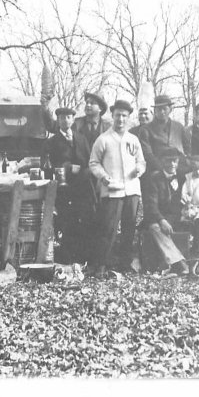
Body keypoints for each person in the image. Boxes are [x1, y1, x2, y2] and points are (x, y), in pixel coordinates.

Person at [88, 99, 146, 277]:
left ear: (129, 118)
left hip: (131, 190)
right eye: (118, 115)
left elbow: (141, 161)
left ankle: (124, 263)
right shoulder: (103, 139)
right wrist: (103, 177)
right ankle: (102, 264)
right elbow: (93, 163)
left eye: (124, 116)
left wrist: (139, 170)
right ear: (112, 116)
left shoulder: (133, 139)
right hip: (112, 190)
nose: (120, 119)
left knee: (129, 228)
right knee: (108, 228)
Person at [45, 106, 93, 263]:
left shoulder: (81, 138)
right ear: (57, 121)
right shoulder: (51, 142)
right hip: (64, 188)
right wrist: (68, 167)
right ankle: (66, 256)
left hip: (83, 187)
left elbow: (90, 160)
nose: (64, 120)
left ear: (73, 120)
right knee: (66, 220)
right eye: (61, 118)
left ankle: (82, 255)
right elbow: (46, 165)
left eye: (68, 117)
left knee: (83, 217)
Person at [139, 148, 190, 275]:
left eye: (175, 161)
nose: (172, 164)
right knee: (155, 227)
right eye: (168, 161)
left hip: (179, 216)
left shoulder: (184, 177)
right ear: (162, 162)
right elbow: (150, 205)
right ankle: (179, 262)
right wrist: (162, 220)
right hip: (158, 217)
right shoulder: (153, 178)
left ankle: (198, 259)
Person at [138, 95, 192, 174]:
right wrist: (162, 169)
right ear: (154, 110)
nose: (162, 112)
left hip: (180, 169)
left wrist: (185, 163)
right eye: (159, 109)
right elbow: (147, 153)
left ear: (170, 109)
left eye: (165, 109)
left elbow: (187, 148)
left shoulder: (179, 127)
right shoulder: (146, 129)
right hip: (157, 171)